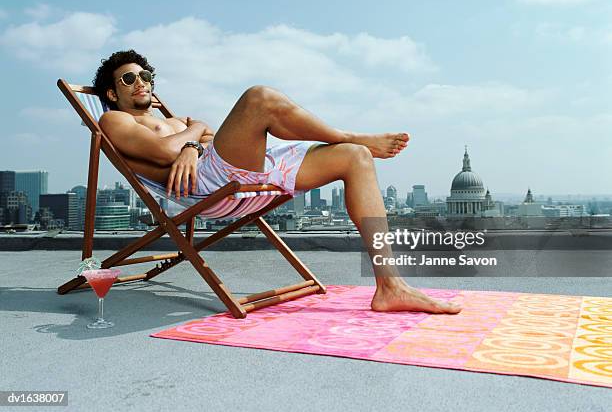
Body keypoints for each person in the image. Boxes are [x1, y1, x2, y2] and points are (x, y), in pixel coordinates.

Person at [94, 49, 461, 314]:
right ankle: (350, 133)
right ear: (113, 93)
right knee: (260, 98)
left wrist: (193, 138)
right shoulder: (115, 121)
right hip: (211, 187)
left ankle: (390, 285)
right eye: (129, 78)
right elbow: (165, 153)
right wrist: (193, 136)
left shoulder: (169, 121)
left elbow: (207, 134)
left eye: (145, 76)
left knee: (356, 158)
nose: (140, 82)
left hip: (235, 171)